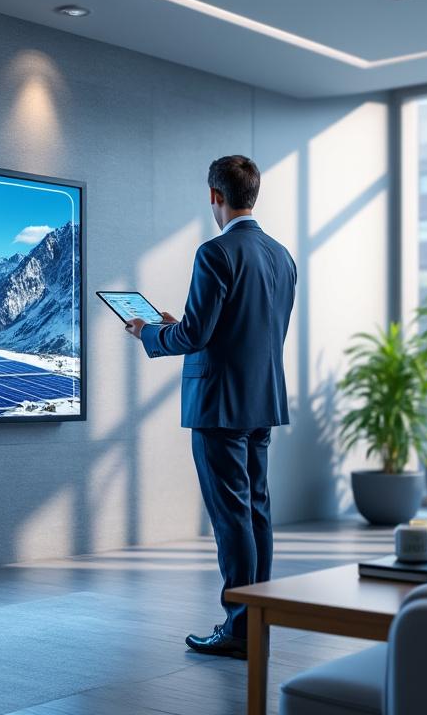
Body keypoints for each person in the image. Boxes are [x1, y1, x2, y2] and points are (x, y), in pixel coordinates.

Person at [125, 155, 296, 660]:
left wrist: (150, 332)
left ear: (214, 196)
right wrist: (185, 326)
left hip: (219, 404)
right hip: (262, 400)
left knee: (231, 519)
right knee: (257, 510)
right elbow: (251, 329)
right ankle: (258, 619)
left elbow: (196, 334)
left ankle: (239, 628)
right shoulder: (282, 256)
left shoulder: (214, 253)